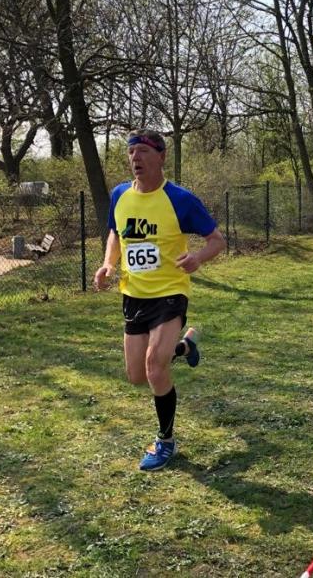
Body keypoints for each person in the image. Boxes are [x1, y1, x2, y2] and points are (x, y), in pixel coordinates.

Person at [94, 129, 226, 471]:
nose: (135, 158)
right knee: (137, 375)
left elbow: (216, 239)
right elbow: (115, 233)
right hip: (134, 295)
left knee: (155, 366)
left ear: (161, 156)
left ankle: (165, 440)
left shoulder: (180, 199)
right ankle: (183, 347)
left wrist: (198, 258)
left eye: (142, 151)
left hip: (170, 292)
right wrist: (109, 264)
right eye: (131, 152)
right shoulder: (120, 195)